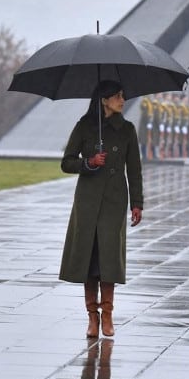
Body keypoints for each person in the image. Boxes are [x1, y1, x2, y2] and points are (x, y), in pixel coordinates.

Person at [58, 80, 143, 338]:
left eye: (122, 95)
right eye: (117, 96)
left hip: (115, 201)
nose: (122, 99)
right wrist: (89, 162)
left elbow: (135, 168)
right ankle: (92, 317)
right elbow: (66, 162)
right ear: (104, 100)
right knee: (88, 259)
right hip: (88, 200)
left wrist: (137, 203)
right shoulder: (85, 127)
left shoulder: (127, 129)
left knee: (108, 260)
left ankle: (108, 314)